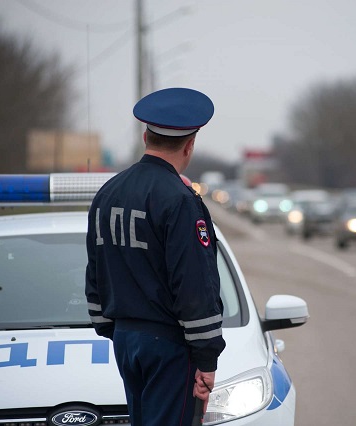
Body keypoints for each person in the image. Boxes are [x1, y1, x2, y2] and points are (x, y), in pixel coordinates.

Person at [85, 87, 226, 425]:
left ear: (146, 135)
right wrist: (207, 359)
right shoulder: (180, 200)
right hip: (168, 346)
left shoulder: (108, 192)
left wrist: (113, 327)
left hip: (126, 340)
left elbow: (96, 271)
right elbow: (193, 284)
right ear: (190, 145)